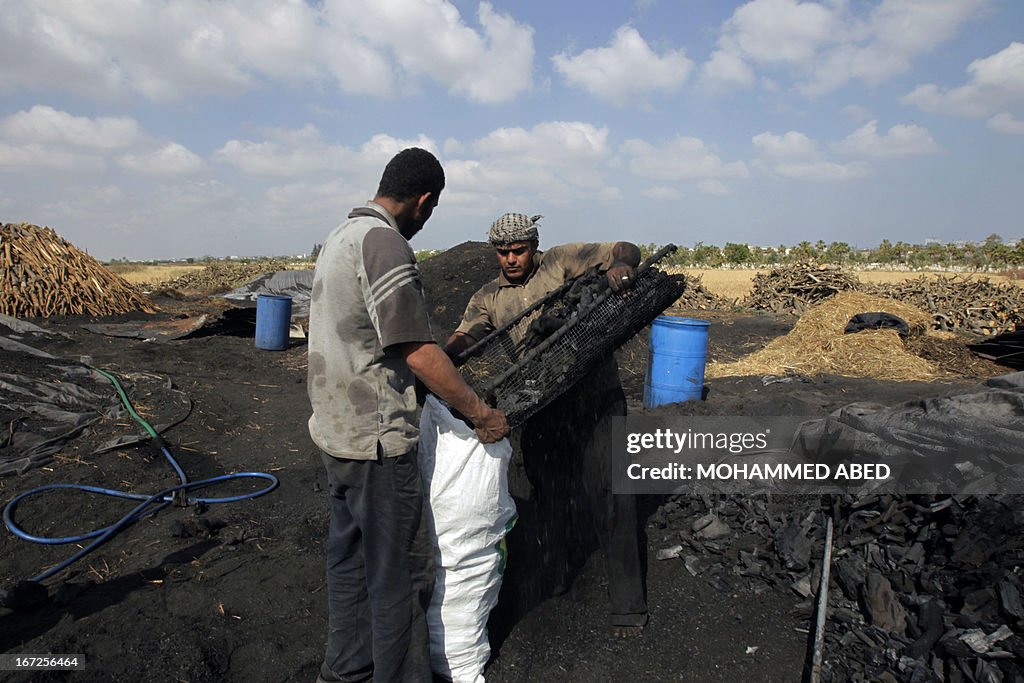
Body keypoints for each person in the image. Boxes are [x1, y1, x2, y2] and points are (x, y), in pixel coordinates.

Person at [307, 148, 509, 683]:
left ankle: (345, 671)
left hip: (336, 435)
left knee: (349, 564)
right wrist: (479, 413)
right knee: (398, 577)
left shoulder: (339, 237)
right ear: (425, 200)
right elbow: (416, 349)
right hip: (377, 441)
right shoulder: (385, 243)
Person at [443, 213, 649, 638]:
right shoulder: (488, 297)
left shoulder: (561, 262)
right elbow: (465, 338)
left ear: (534, 246)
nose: (511, 258)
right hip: (541, 405)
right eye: (503, 252)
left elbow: (622, 248)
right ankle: (556, 578)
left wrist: (622, 267)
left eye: (519, 250)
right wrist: (442, 359)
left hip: (595, 397)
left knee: (612, 493)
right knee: (549, 495)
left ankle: (628, 608)